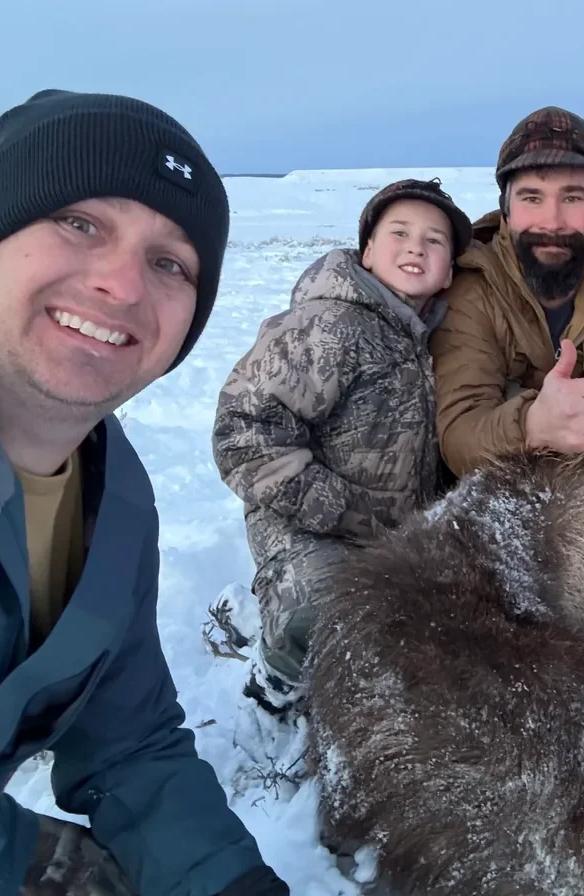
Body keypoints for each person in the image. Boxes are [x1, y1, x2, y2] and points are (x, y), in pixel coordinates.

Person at [0, 90, 287, 894]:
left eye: (169, 263)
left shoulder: (113, 501)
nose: (122, 286)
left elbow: (130, 744)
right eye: (80, 223)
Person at [212, 179, 472, 717]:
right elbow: (242, 433)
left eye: (434, 240)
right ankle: (272, 686)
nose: (416, 247)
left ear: (449, 270)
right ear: (368, 250)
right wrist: (338, 509)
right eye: (398, 232)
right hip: (308, 523)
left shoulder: (437, 340)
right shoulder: (327, 326)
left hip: (397, 528)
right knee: (328, 608)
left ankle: (255, 616)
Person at [429, 105, 584, 477]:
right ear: (506, 211)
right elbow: (459, 437)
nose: (552, 222)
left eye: (572, 198)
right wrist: (532, 426)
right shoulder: (473, 285)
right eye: (531, 198)